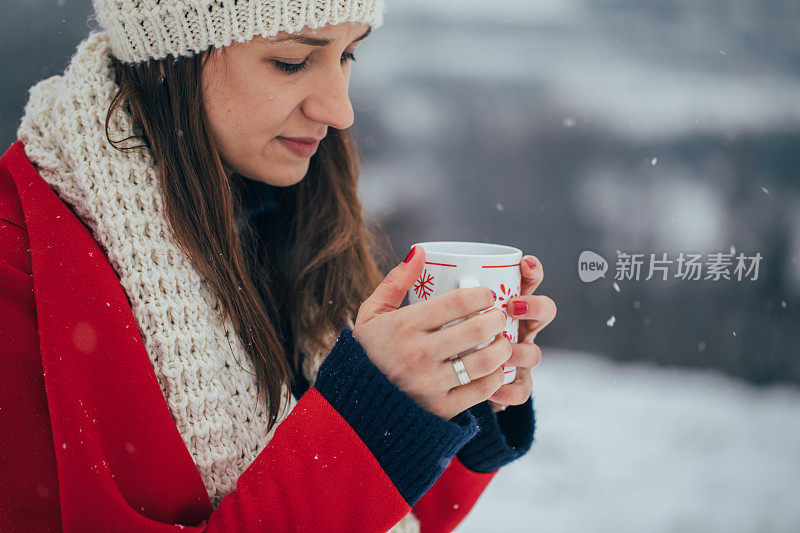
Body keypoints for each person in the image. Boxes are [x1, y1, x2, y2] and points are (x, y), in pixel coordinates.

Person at [0, 0, 556, 531]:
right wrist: (368, 424)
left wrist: (452, 395)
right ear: (172, 57)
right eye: (292, 61)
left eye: (347, 56)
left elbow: (381, 518)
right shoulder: (20, 263)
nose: (340, 110)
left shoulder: (292, 209)